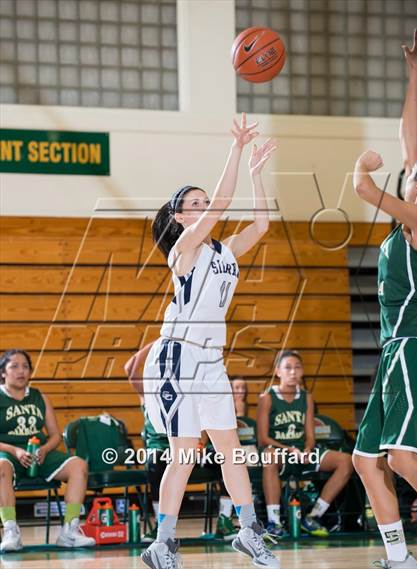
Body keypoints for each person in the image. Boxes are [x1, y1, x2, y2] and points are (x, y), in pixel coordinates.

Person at [137, 114, 279, 569]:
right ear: (180, 218)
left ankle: (248, 532)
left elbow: (261, 227)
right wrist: (236, 150)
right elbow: (221, 204)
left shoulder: (222, 250)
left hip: (211, 361)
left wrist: (257, 176)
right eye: (194, 204)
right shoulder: (183, 250)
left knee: (231, 450)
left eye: (204, 202)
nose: (205, 208)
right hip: (178, 357)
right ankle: (162, 543)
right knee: (184, 454)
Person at [351, 29, 417, 569]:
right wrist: (416, 71)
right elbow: (410, 136)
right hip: (394, 352)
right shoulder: (405, 224)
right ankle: (399, 557)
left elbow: (365, 192)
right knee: (365, 459)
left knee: (398, 456)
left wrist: (362, 168)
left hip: (414, 349)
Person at [125, 344, 238, 542]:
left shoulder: (188, 391)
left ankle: (224, 519)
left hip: (189, 448)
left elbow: (205, 425)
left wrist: (200, 445)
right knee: (155, 461)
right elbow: (129, 370)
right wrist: (156, 343)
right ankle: (162, 526)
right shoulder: (149, 393)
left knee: (226, 457)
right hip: (161, 450)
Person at [0, 349, 95, 551]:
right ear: (3, 372)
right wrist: (15, 451)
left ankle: (70, 531)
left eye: (25, 366)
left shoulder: (39, 397)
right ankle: (10, 531)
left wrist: (44, 449)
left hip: (40, 454)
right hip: (8, 454)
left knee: (79, 465)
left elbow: (54, 435)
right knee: (0, 466)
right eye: (14, 366)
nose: (21, 371)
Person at [257, 350, 353, 538]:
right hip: (278, 450)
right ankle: (274, 522)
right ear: (278, 372)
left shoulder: (306, 396)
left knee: (347, 461)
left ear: (302, 372)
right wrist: (290, 449)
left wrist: (308, 449)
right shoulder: (267, 397)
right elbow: (262, 438)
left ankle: (312, 517)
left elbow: (310, 434)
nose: (293, 372)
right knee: (269, 456)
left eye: (297, 367)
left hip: (302, 451)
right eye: (288, 368)